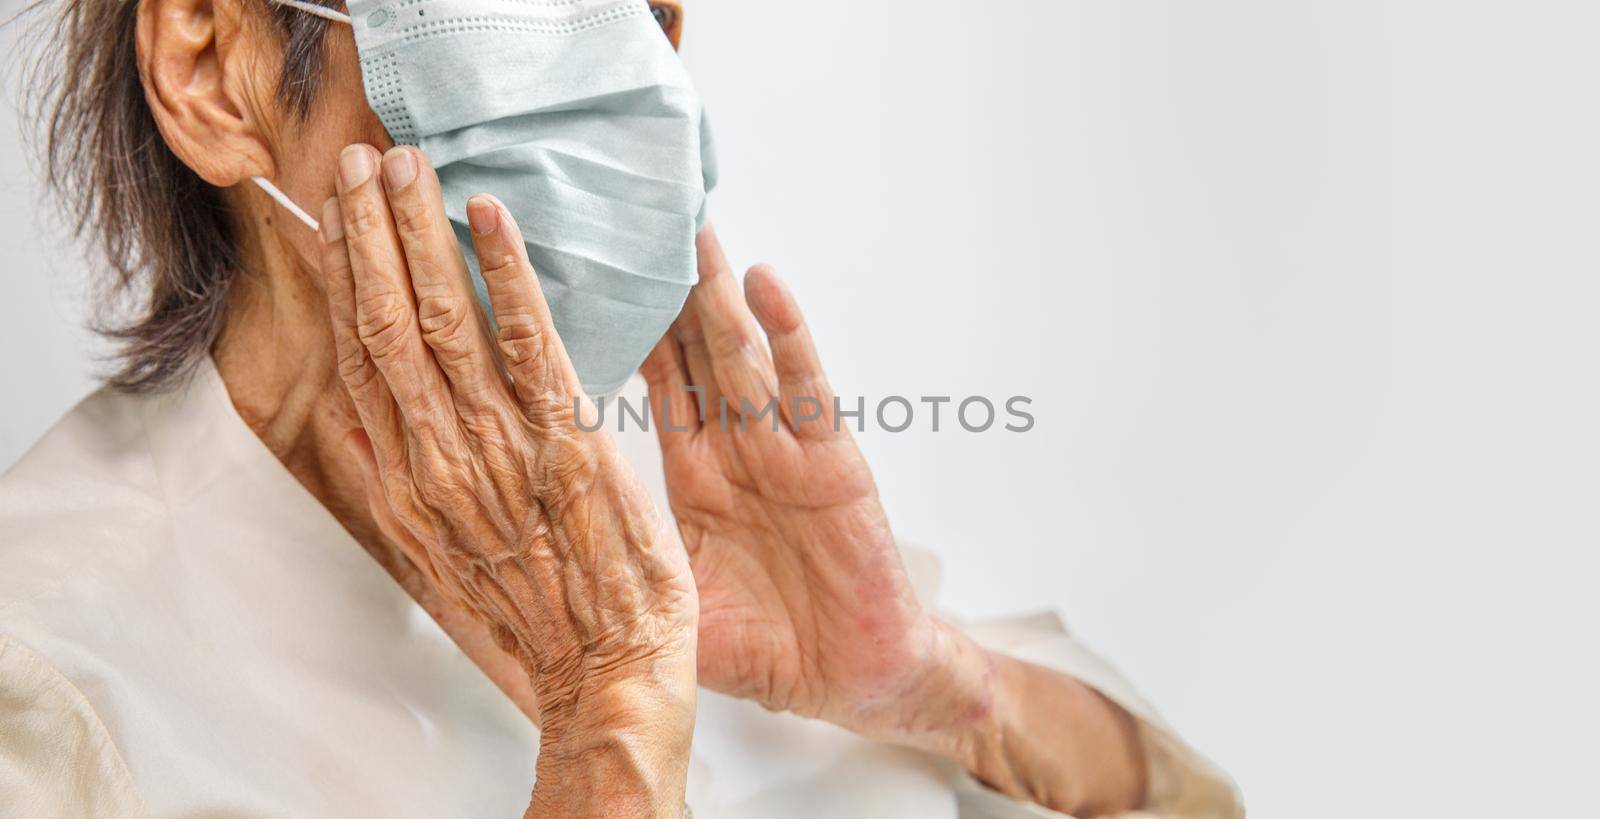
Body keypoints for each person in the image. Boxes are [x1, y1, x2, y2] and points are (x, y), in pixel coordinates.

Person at [0, 0, 1242, 816]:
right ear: (213, 69)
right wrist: (607, 737)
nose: (625, 81)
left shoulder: (687, 510)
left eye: (641, 11)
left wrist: (938, 685)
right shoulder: (51, 686)